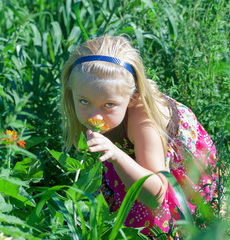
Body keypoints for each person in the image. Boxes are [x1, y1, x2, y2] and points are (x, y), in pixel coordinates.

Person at [60, 35, 218, 236]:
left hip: (168, 171)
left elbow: (157, 195)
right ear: (71, 91)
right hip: (130, 150)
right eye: (84, 102)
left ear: (132, 97)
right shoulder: (97, 105)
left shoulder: (144, 121)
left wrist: (116, 155)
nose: (95, 116)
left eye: (109, 105)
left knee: (152, 226)